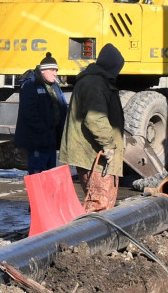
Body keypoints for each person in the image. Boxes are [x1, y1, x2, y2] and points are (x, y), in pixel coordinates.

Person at [60, 44, 126, 192]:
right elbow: (95, 118)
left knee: (101, 203)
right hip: (93, 156)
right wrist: (108, 145)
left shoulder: (98, 82)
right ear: (112, 66)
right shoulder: (95, 84)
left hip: (95, 155)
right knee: (99, 203)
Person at [13, 53, 68, 173]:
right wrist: (43, 130)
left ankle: (48, 193)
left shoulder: (54, 86)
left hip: (51, 139)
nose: (55, 73)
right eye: (53, 70)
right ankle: (37, 193)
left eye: (56, 70)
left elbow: (62, 107)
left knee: (49, 173)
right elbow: (29, 112)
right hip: (38, 140)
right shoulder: (30, 85)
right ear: (43, 70)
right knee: (37, 174)